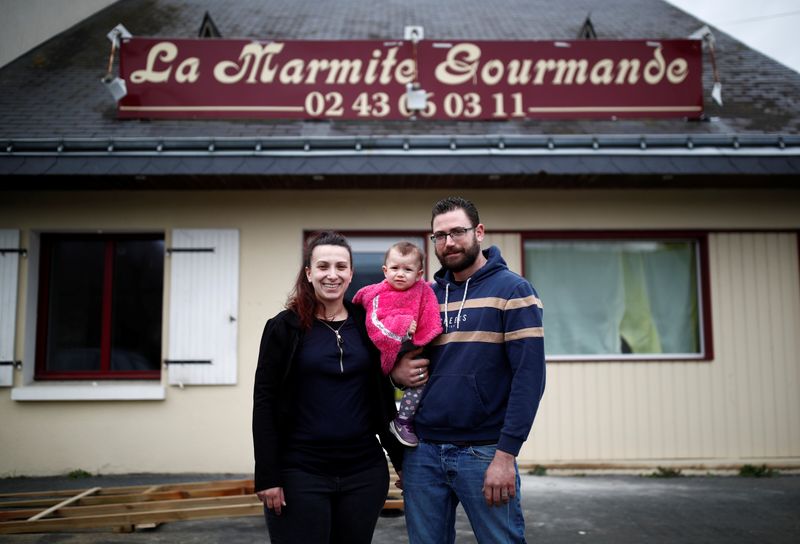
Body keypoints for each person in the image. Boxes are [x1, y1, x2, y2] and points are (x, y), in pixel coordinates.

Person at [391, 197, 546, 543]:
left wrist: (506, 455)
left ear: (478, 232)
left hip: (485, 452)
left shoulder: (514, 291)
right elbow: (397, 353)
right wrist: (395, 373)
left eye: (457, 232)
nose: (448, 243)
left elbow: (529, 379)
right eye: (439, 236)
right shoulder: (425, 295)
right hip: (424, 451)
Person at [252, 231, 404, 544]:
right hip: (300, 473)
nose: (331, 274)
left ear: (351, 273)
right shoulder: (284, 327)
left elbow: (381, 398)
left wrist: (401, 462)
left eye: (340, 266)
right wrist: (268, 476)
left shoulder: (368, 324)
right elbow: (264, 402)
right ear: (309, 273)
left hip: (364, 473)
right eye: (323, 266)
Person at [352, 241, 443, 447]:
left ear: (419, 274)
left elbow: (429, 312)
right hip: (386, 350)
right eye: (395, 268)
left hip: (413, 348)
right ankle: (390, 421)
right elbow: (373, 324)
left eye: (407, 269)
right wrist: (400, 327)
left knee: (421, 380)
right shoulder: (376, 294)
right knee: (381, 390)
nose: (400, 274)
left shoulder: (424, 290)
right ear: (385, 270)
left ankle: (404, 419)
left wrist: (422, 330)